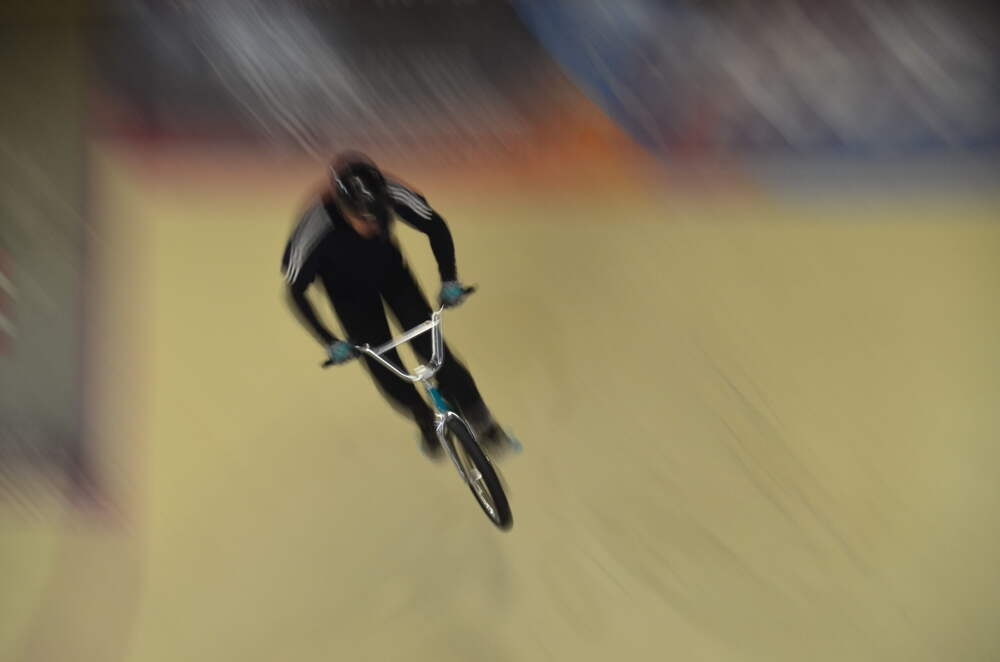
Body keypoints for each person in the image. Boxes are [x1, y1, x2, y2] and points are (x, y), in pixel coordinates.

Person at [281, 151, 505, 459]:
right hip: (350, 299)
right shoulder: (314, 228)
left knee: (436, 352)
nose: (373, 226)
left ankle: (482, 419)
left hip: (393, 279)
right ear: (344, 209)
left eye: (378, 217)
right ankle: (422, 417)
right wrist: (329, 340)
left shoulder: (392, 192)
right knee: (386, 369)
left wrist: (449, 279)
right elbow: (295, 292)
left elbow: (435, 225)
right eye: (364, 220)